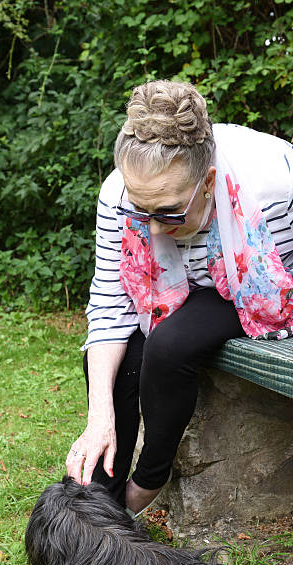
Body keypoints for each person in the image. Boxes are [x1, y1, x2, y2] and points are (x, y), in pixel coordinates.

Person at [65, 80, 293, 517]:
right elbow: (112, 308)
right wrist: (99, 419)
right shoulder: (117, 193)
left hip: (257, 289)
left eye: (168, 211)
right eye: (139, 211)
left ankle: (148, 481)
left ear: (207, 183)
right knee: (123, 355)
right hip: (162, 291)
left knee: (170, 345)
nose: (150, 229)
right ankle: (100, 503)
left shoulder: (274, 184)